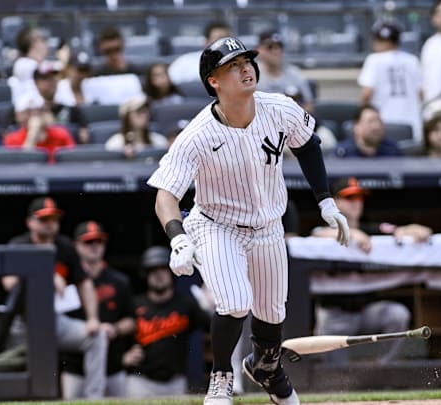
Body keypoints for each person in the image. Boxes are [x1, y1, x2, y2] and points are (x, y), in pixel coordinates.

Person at [147, 36, 350, 405]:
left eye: (247, 62)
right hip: (216, 225)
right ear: (214, 81)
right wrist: (177, 238)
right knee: (236, 302)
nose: (245, 69)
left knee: (272, 313)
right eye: (233, 66)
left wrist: (326, 201)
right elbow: (165, 195)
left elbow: (308, 145)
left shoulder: (279, 108)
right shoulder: (197, 134)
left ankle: (266, 368)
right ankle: (221, 375)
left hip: (269, 227)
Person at [2, 197, 107, 398]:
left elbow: (84, 283)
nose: (50, 224)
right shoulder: (19, 244)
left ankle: (95, 399)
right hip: (24, 322)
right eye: (44, 219)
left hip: (55, 320)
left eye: (54, 219)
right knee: (13, 365)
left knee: (97, 336)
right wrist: (46, 272)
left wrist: (93, 318)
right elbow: (8, 283)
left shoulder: (65, 246)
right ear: (30, 222)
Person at [312, 177, 422, 364]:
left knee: (398, 314)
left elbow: (399, 231)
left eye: (359, 198)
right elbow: (316, 234)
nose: (356, 203)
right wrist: (352, 232)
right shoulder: (325, 232)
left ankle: (382, 369)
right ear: (336, 202)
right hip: (335, 315)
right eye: (350, 198)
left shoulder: (371, 229)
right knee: (336, 374)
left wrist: (414, 230)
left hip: (366, 311)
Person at [61, 221, 135, 399]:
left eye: (99, 241)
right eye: (88, 242)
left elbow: (132, 320)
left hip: (113, 367)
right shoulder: (66, 281)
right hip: (75, 368)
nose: (94, 246)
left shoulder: (119, 281)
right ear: (76, 246)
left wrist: (114, 329)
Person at [124, 246, 210, 398]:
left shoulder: (185, 304)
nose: (159, 275)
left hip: (175, 382)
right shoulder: (134, 304)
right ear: (146, 274)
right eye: (153, 270)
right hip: (140, 381)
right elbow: (116, 333)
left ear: (171, 272)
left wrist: (210, 305)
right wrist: (123, 356)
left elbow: (213, 327)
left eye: (163, 269)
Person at [359, 22, 423, 143]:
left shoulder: (374, 60)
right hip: (412, 122)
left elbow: (367, 94)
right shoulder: (412, 60)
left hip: (382, 124)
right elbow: (421, 93)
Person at [255, 30, 315, 112]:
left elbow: (309, 106)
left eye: (279, 46)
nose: (276, 51)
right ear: (259, 49)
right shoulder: (251, 73)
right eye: (270, 47)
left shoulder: (294, 74)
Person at [3, 92, 75, 160]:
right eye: (29, 111)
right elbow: (22, 166)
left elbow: (72, 160)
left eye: (39, 110)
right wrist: (33, 133)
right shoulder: (12, 139)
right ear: (18, 116)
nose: (35, 115)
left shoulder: (61, 134)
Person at [167, 20, 231, 85]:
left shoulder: (239, 63)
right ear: (207, 42)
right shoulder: (184, 63)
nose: (225, 43)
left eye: (228, 39)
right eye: (219, 39)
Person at [335, 105, 402, 158]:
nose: (377, 127)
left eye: (379, 121)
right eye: (371, 122)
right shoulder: (343, 153)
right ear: (356, 126)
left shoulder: (392, 150)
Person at [9, 27, 49, 102]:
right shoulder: (22, 64)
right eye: (43, 40)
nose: (47, 44)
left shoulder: (44, 63)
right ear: (34, 42)